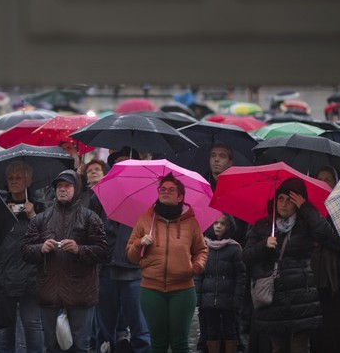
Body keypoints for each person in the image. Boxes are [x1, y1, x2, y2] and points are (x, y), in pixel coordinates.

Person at [22, 169, 109, 353]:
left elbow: (103, 252)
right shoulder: (41, 218)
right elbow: (25, 251)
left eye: (67, 186)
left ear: (76, 189)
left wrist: (80, 249)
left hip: (81, 295)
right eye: (59, 186)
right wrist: (41, 248)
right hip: (50, 294)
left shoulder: (90, 217)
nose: (62, 189)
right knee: (51, 347)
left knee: (80, 346)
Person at [241, 177, 332, 353]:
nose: (283, 204)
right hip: (273, 297)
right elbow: (245, 255)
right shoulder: (263, 225)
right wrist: (263, 246)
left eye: (289, 200)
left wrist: (306, 207)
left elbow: (325, 233)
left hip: (301, 296)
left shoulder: (305, 225)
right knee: (279, 348)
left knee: (300, 348)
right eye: (280, 199)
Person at [126, 173, 208, 353]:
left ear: (180, 196)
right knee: (158, 343)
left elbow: (201, 250)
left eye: (171, 190)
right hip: (151, 289)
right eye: (162, 189)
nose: (165, 192)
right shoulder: (146, 220)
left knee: (180, 343)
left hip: (183, 290)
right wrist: (140, 243)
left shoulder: (191, 223)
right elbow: (131, 256)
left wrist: (195, 267)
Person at [93, 150, 149, 353]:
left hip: (134, 271)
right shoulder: (102, 192)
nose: (122, 166)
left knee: (140, 328)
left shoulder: (147, 194)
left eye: (126, 162)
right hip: (106, 269)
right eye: (117, 163)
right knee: (104, 330)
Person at [0, 161, 43, 353]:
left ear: (29, 181)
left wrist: (33, 216)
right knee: (5, 327)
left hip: (32, 277)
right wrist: (4, 216)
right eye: (10, 178)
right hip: (5, 276)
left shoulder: (41, 208)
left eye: (18, 177)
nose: (14, 181)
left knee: (32, 325)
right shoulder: (0, 208)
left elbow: (48, 238)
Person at [195, 214, 246, 353]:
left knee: (230, 330)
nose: (218, 226)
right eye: (215, 223)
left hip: (228, 298)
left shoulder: (235, 248)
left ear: (228, 227)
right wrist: (198, 297)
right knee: (211, 330)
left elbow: (240, 276)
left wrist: (237, 298)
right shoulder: (204, 247)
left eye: (222, 224)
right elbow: (199, 274)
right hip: (209, 299)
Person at [310, 166, 340, 352]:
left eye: (328, 179)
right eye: (320, 178)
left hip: (339, 281)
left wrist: (321, 236)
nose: (324, 182)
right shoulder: (310, 209)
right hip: (315, 280)